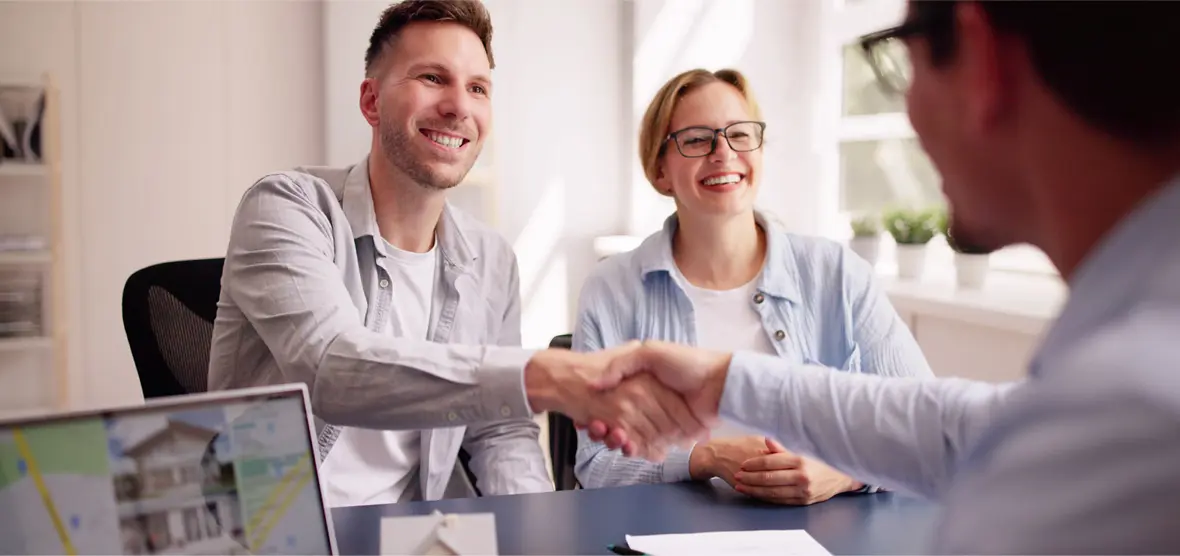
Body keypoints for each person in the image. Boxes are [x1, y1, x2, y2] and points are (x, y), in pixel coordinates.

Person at [589, 1, 1180, 553]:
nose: (909, 115)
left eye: (903, 61)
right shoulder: (1118, 372)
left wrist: (828, 466)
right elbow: (955, 425)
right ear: (660, 166)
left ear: (981, 62)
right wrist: (725, 389)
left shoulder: (1127, 407)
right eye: (696, 140)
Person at [207, 0, 704, 507]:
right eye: (432, 77)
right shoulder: (287, 207)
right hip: (273, 530)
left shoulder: (490, 259)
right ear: (371, 101)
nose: (459, 106)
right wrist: (544, 376)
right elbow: (332, 368)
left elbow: (500, 435)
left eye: (478, 88)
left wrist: (539, 533)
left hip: (412, 536)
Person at [572, 68, 933, 505]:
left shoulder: (837, 274)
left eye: (740, 135)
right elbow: (596, 464)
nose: (723, 153)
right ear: (660, 169)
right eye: (696, 139)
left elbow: (923, 430)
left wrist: (844, 473)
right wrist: (702, 457)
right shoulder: (611, 290)